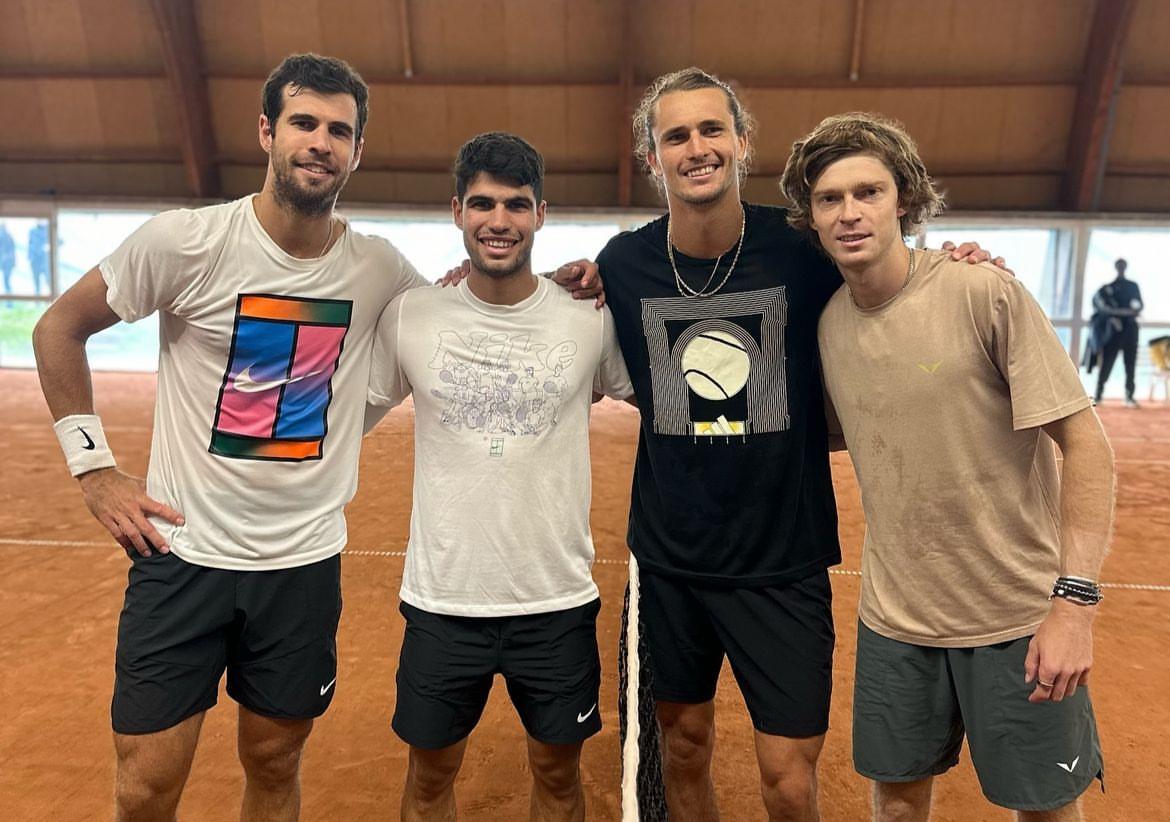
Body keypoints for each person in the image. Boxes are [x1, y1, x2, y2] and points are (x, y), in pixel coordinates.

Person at [30, 53, 600, 822]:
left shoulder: (379, 270)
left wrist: (573, 282)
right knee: (145, 785)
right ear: (268, 131)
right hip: (182, 556)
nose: (320, 141)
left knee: (274, 762)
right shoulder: (184, 242)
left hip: (301, 567)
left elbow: (463, 298)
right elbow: (60, 327)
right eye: (304, 122)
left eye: (340, 130)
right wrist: (95, 470)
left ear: (357, 150)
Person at [593, 67, 1001, 821]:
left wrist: (962, 265)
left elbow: (892, 278)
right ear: (654, 158)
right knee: (682, 746)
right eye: (675, 135)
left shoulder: (802, 251)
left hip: (783, 561)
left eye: (712, 129)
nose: (696, 148)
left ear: (743, 142)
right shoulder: (623, 265)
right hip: (669, 562)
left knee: (787, 777)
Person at [781, 112, 1113, 822]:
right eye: (829, 199)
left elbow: (1085, 444)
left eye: (868, 192)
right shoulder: (828, 325)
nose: (850, 213)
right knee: (896, 806)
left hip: (1016, 618)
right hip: (897, 620)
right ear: (809, 218)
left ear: (904, 197)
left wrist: (1074, 606)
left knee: (1045, 808)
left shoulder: (981, 292)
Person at [366, 132, 633, 822]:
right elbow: (343, 418)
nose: (499, 220)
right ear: (457, 211)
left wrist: (613, 276)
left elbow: (660, 400)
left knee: (557, 775)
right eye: (482, 203)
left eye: (516, 204)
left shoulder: (588, 316)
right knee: (430, 780)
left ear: (541, 214)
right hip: (442, 600)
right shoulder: (413, 314)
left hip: (555, 600)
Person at [1089, 258, 1143, 407]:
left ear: (1125, 267)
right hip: (1113, 332)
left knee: (1130, 364)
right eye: (1119, 266)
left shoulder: (1133, 286)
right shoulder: (1107, 289)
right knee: (1106, 363)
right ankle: (1098, 395)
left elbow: (1139, 306)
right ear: (1116, 267)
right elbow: (1103, 308)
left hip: (1130, 331)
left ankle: (1129, 396)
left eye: (1123, 266)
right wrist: (1125, 312)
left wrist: (1119, 313)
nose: (1121, 268)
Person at [28, 221, 49, 295]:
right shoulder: (32, 231)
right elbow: (30, 244)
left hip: (45, 260)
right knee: (36, 282)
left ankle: (51, 300)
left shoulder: (49, 230)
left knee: (48, 280)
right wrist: (30, 257)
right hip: (35, 260)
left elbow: (59, 241)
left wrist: (48, 246)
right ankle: (37, 299)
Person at [0, 222, 16, 294]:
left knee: (6, 281)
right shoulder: (8, 236)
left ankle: (9, 300)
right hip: (7, 262)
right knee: (6, 281)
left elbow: (11, 250)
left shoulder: (6, 237)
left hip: (7, 263)